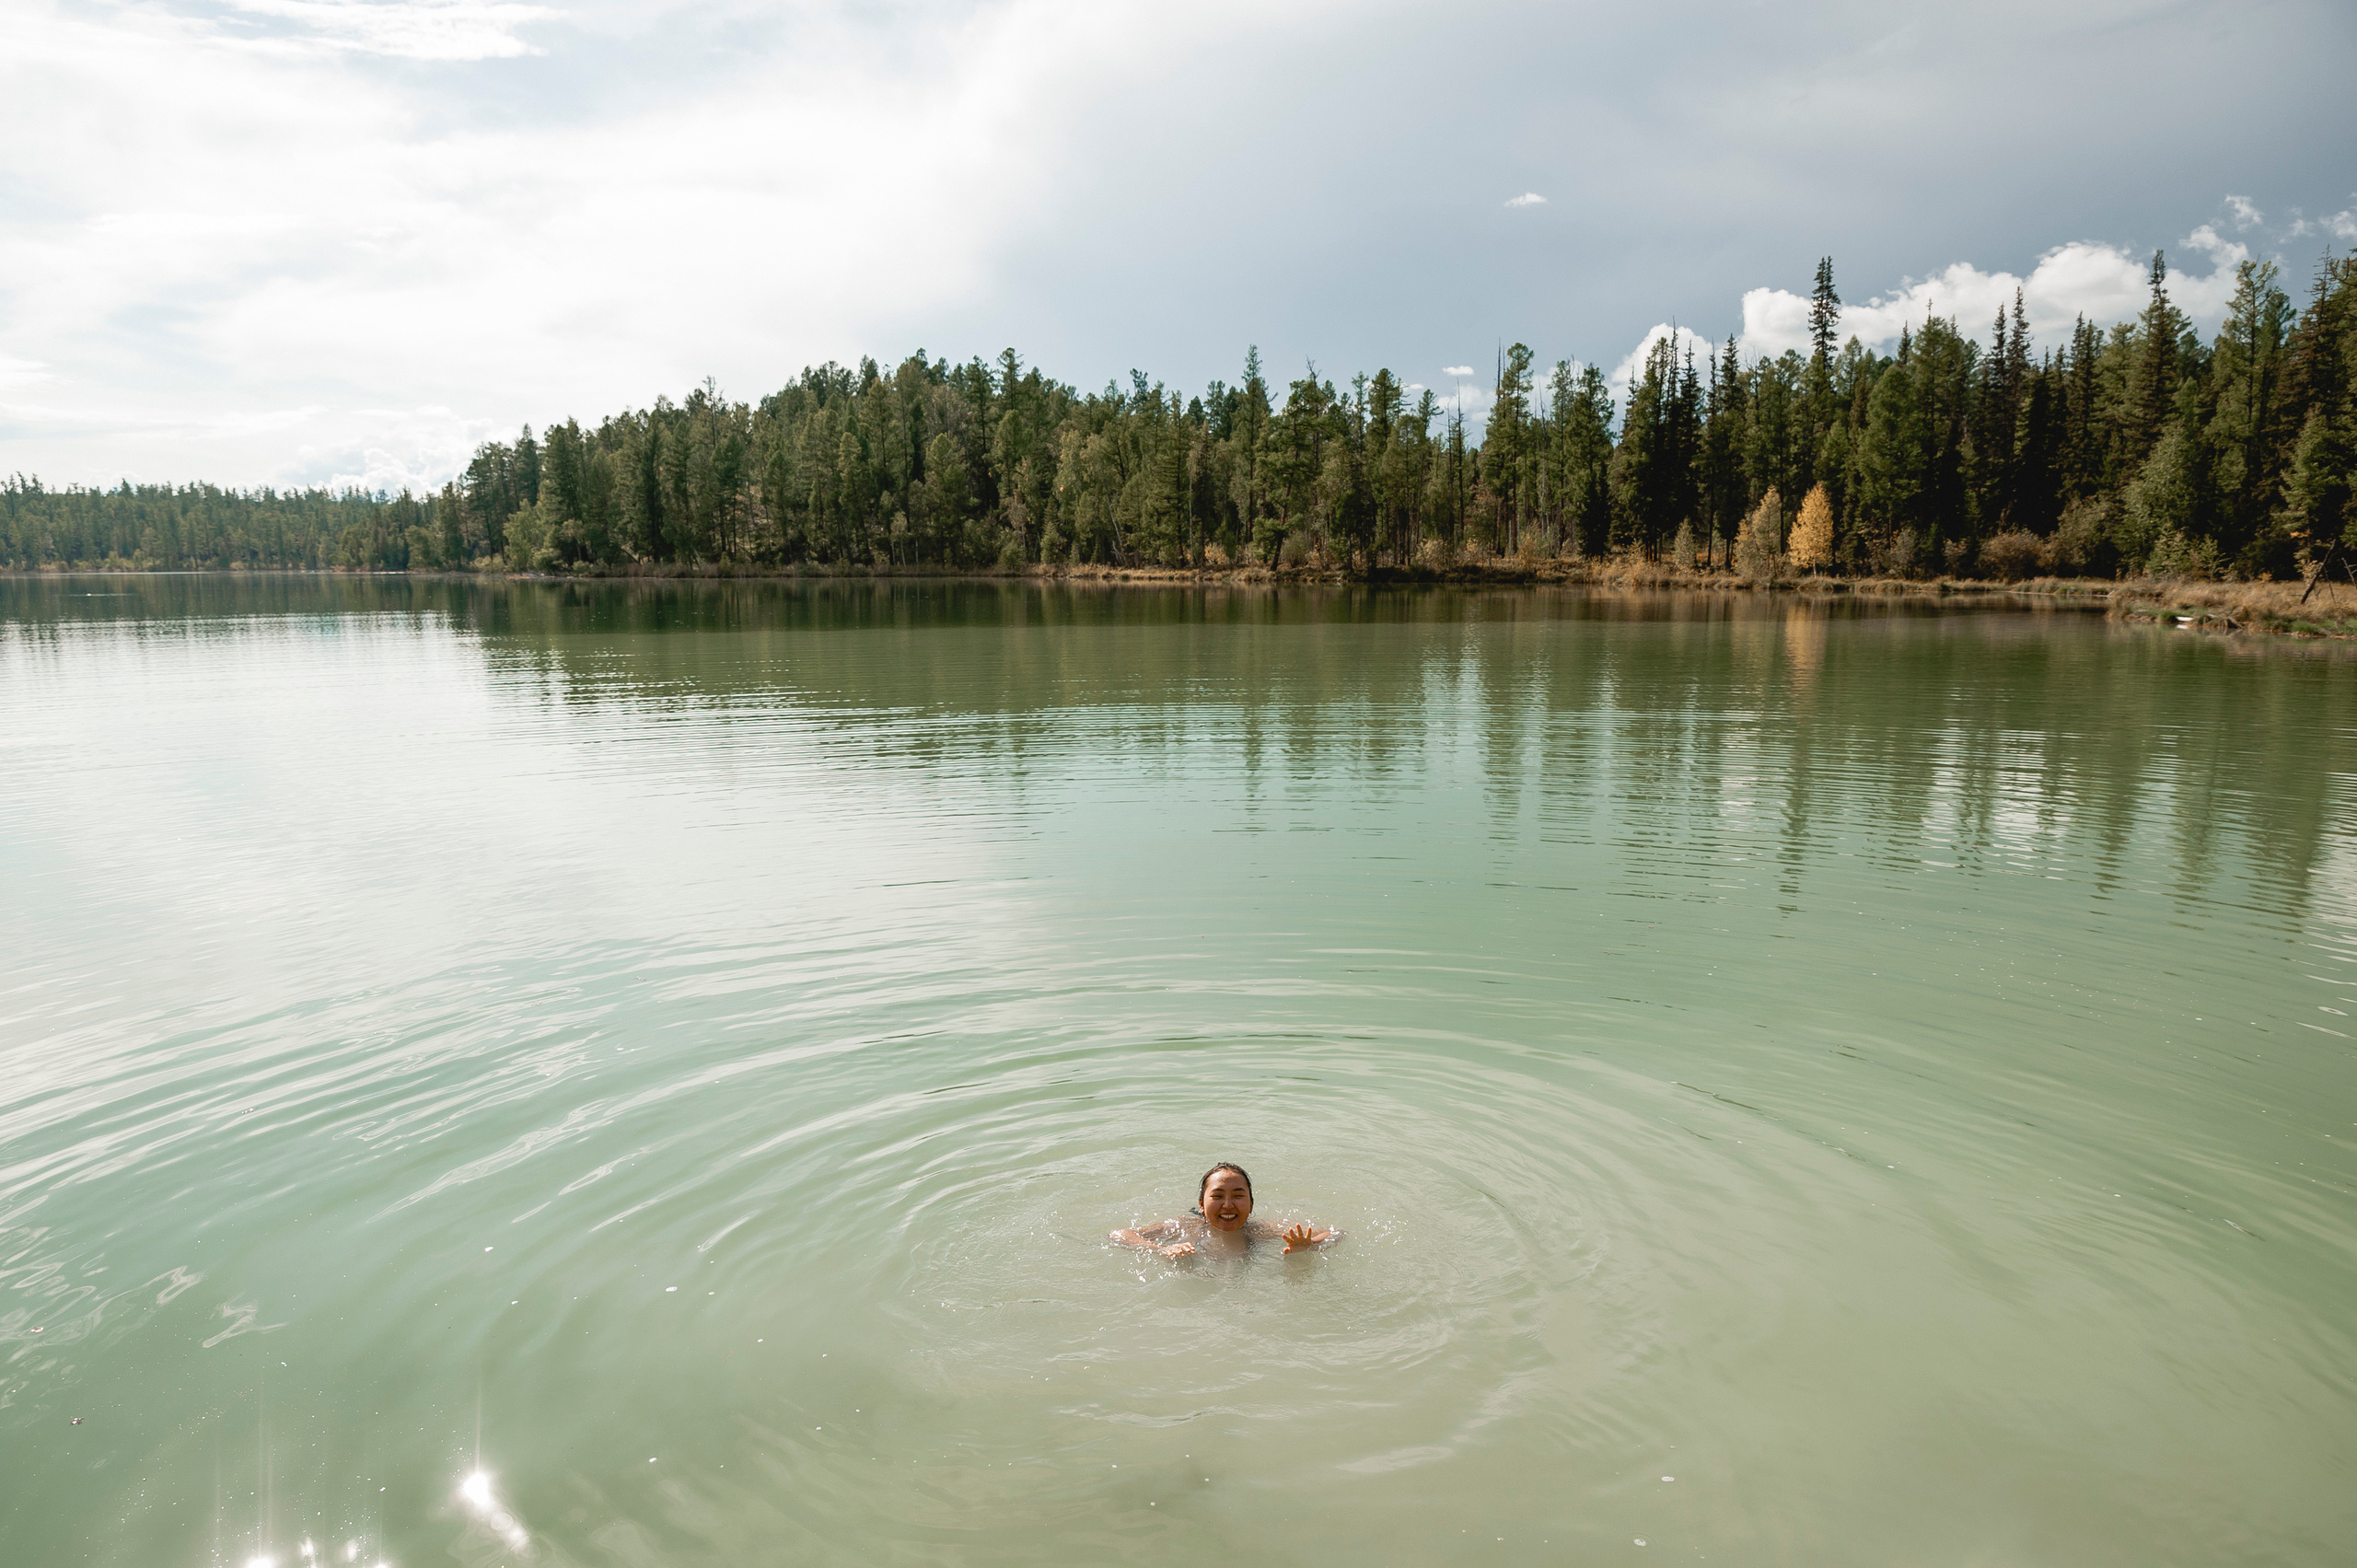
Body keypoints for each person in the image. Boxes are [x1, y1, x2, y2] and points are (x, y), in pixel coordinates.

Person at [1110, 1162, 1340, 1260]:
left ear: (1251, 1204)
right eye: (1217, 1196)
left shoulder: (1262, 1230)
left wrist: (1310, 1246)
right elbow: (1119, 1235)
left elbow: (1336, 1233)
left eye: (1238, 1196)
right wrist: (1162, 1249)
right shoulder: (1184, 1227)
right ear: (1201, 1204)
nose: (1228, 1205)